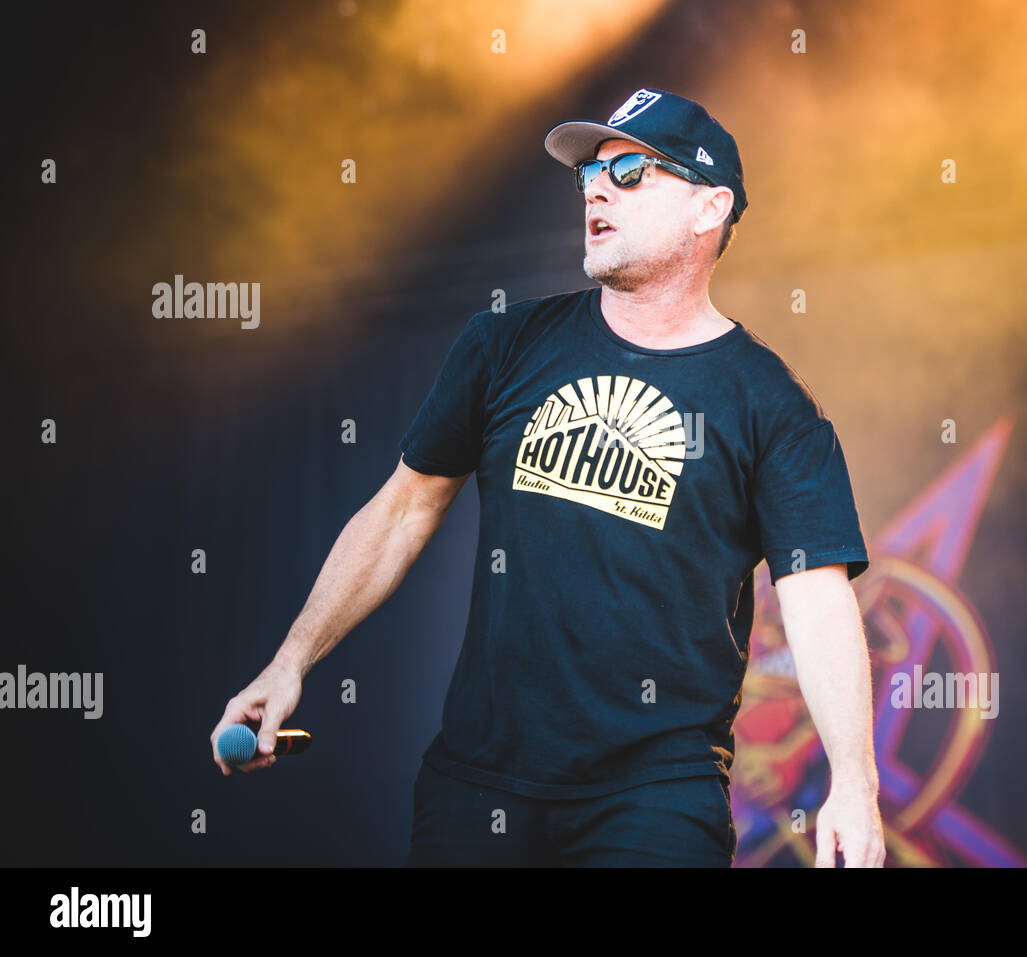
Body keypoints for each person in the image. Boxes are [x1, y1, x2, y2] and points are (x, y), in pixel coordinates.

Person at [210, 87, 886, 868]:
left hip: (656, 800)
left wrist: (855, 781)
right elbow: (400, 512)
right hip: (475, 786)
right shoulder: (504, 344)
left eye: (628, 171)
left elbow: (816, 596)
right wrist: (288, 661)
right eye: (588, 176)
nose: (595, 188)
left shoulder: (770, 402)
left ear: (711, 209)